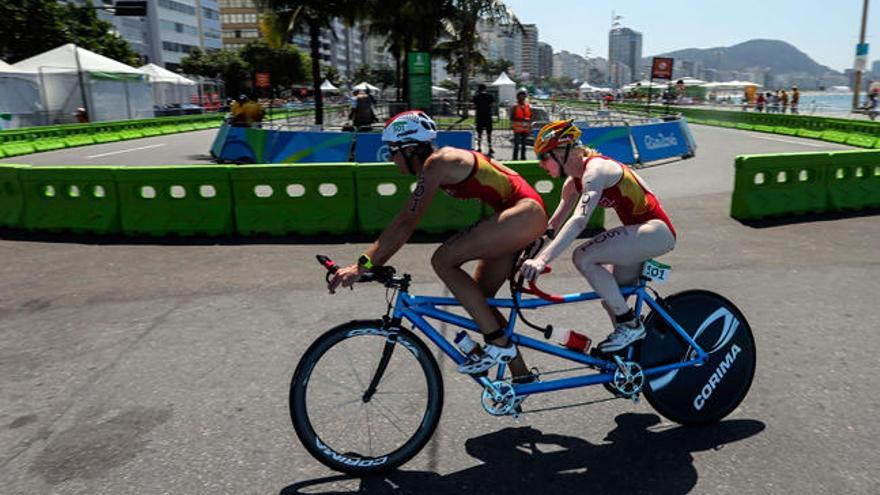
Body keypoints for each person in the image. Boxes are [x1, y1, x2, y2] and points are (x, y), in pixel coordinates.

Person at [328, 110, 548, 379]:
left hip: (524, 213)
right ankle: (521, 376)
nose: (391, 158)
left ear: (409, 148)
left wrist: (362, 265)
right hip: (520, 215)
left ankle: (498, 344)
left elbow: (405, 223)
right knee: (480, 302)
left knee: (442, 260)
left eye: (392, 150)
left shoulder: (438, 162)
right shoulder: (438, 163)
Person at [520, 120, 676, 353]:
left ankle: (631, 325)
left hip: (656, 231)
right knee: (612, 300)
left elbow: (579, 220)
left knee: (583, 255)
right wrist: (525, 256)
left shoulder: (596, 170)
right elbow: (552, 227)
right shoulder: (571, 185)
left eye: (543, 158)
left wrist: (542, 261)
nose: (541, 165)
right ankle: (631, 362)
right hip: (638, 235)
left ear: (562, 153)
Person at [472, 83, 496, 157]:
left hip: (479, 116)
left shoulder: (476, 96)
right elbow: (493, 104)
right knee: (489, 134)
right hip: (488, 116)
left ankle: (479, 147)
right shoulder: (490, 96)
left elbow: (473, 105)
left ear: (479, 89)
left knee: (479, 133)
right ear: (486, 88)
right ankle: (490, 147)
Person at [510, 89, 532, 161]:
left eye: (523, 97)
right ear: (517, 97)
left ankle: (523, 158)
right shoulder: (515, 106)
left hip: (525, 128)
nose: (522, 98)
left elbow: (530, 116)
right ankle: (515, 158)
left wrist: (529, 125)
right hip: (517, 127)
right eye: (521, 96)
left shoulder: (527, 106)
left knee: (524, 145)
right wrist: (522, 119)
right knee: (516, 144)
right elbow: (512, 117)